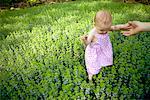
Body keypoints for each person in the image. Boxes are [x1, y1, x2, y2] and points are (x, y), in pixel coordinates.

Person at [80, 10, 128, 80]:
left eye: (107, 29)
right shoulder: (92, 33)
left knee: (103, 58)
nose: (105, 32)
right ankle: (90, 75)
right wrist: (84, 40)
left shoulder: (105, 27)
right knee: (93, 63)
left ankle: (102, 66)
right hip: (95, 51)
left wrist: (124, 27)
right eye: (102, 30)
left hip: (104, 48)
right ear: (94, 25)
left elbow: (115, 27)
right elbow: (87, 43)